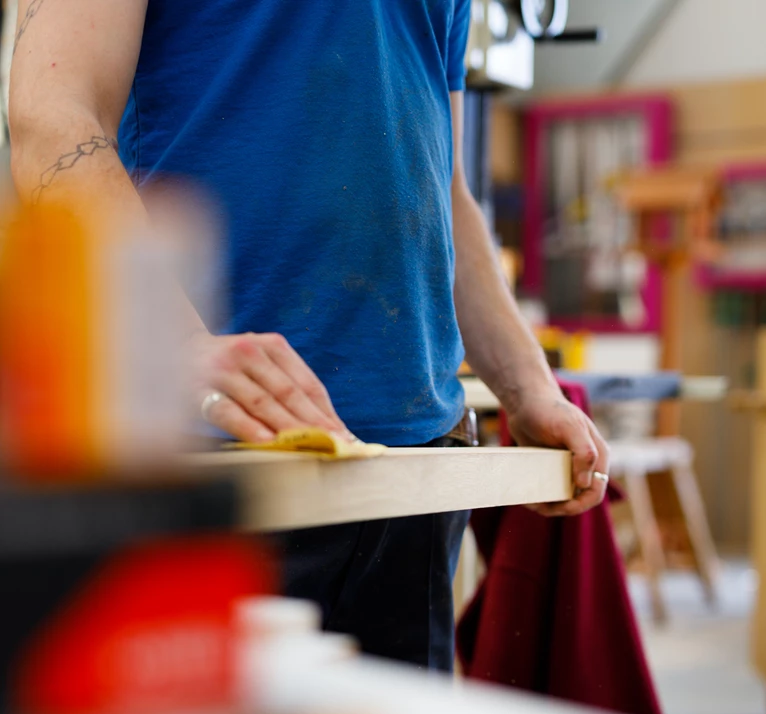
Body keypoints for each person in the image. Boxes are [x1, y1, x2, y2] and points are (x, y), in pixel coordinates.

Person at [9, 0, 609, 672]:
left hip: (415, 471)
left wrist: (530, 388)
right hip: (221, 459)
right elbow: (51, 118)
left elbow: (445, 188)